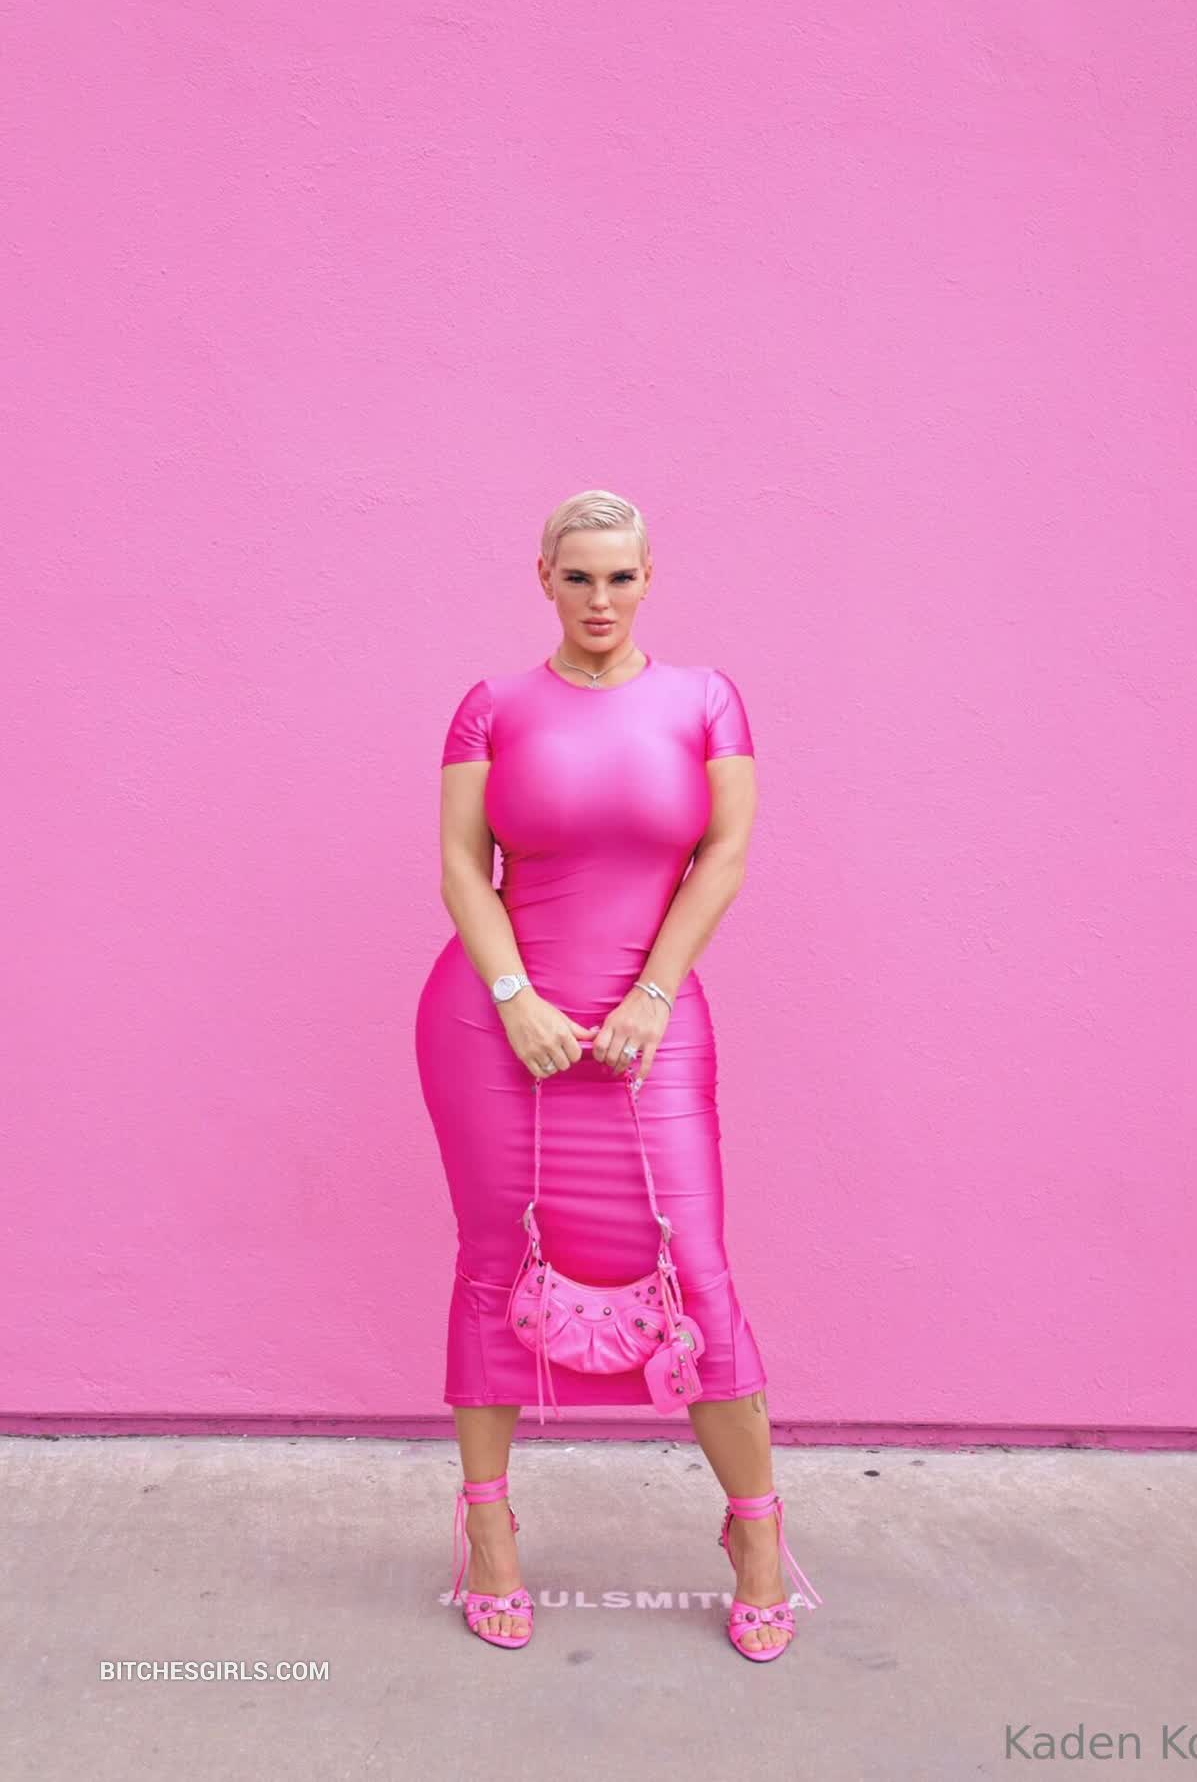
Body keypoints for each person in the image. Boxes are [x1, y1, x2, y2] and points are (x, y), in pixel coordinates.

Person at [415, 490, 821, 1661]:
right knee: (495, 1262)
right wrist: (515, 999)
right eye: (579, 576)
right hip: (497, 1028)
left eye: (621, 577)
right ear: (543, 576)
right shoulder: (492, 706)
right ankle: (488, 1530)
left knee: (697, 1273)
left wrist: (649, 995)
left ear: (650, 578)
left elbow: (723, 855)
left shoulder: (705, 700)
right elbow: (461, 865)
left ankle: (754, 1531)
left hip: (651, 1027)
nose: (601, 599)